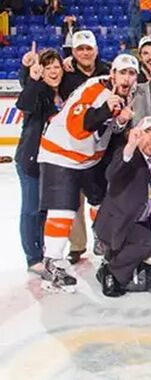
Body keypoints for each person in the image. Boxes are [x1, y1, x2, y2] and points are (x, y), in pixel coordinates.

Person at [36, 54, 139, 293]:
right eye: (122, 72)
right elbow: (79, 126)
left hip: (87, 160)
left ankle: (103, 245)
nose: (126, 78)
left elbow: (106, 130)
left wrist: (120, 122)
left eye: (131, 74)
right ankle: (52, 263)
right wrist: (106, 108)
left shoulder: (124, 96)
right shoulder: (95, 88)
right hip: (60, 155)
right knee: (63, 210)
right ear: (112, 73)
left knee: (102, 200)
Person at [93, 117, 151, 297]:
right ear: (137, 136)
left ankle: (114, 258)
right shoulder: (127, 156)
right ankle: (111, 271)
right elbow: (112, 174)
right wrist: (130, 147)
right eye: (147, 132)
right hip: (118, 222)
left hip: (143, 221)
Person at [15, 48, 64, 275]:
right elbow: (24, 103)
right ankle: (32, 257)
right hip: (31, 161)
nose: (54, 71)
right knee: (31, 210)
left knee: (45, 211)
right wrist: (31, 76)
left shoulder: (64, 93)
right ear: (41, 71)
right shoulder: (38, 90)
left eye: (57, 66)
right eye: (49, 67)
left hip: (53, 163)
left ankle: (44, 250)